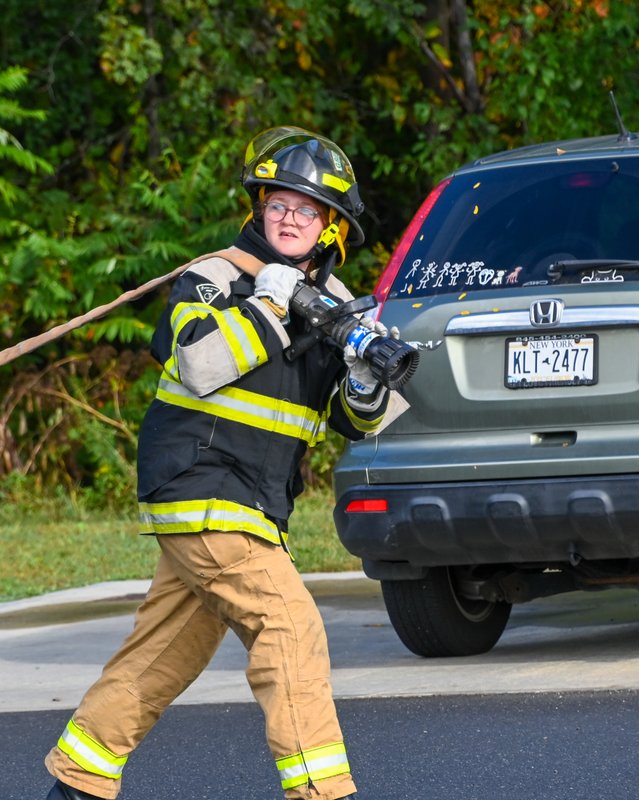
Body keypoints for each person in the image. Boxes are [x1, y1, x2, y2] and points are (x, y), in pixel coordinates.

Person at [42, 126, 394, 800]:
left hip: (255, 504)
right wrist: (273, 300)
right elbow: (200, 364)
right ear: (260, 208)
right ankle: (324, 794)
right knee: (290, 629)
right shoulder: (216, 277)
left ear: (330, 229)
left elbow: (353, 422)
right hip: (201, 488)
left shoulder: (334, 305)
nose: (290, 217)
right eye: (279, 204)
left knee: (164, 652)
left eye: (307, 209)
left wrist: (363, 372)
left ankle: (76, 785)